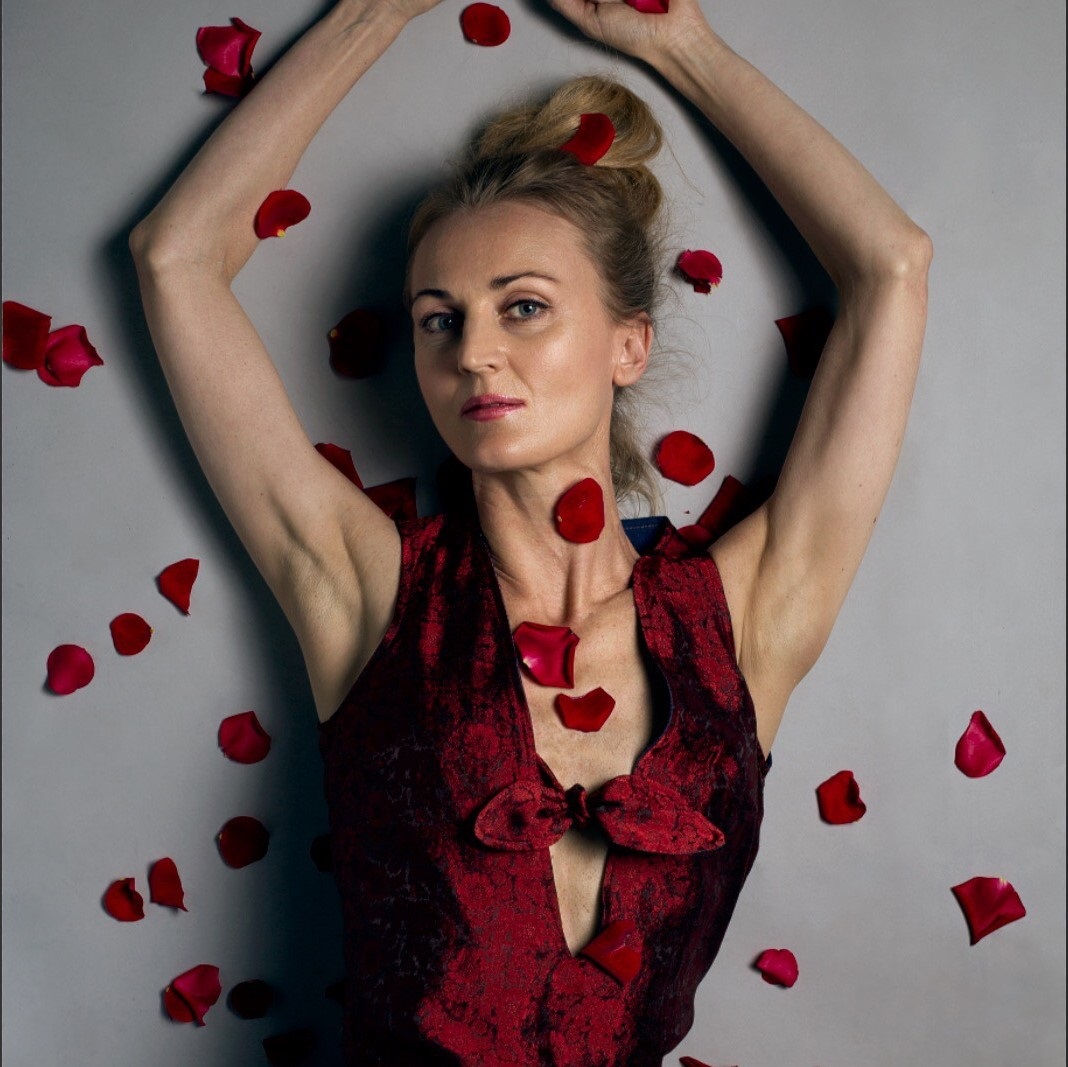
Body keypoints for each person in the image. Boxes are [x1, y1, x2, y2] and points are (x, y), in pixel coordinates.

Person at [129, 0, 932, 1062]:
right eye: (436, 318)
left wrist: (674, 38)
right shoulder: (370, 594)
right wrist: (381, 9)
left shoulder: (745, 615)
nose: (472, 353)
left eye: (523, 306)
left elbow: (893, 267)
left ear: (629, 344)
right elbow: (176, 257)